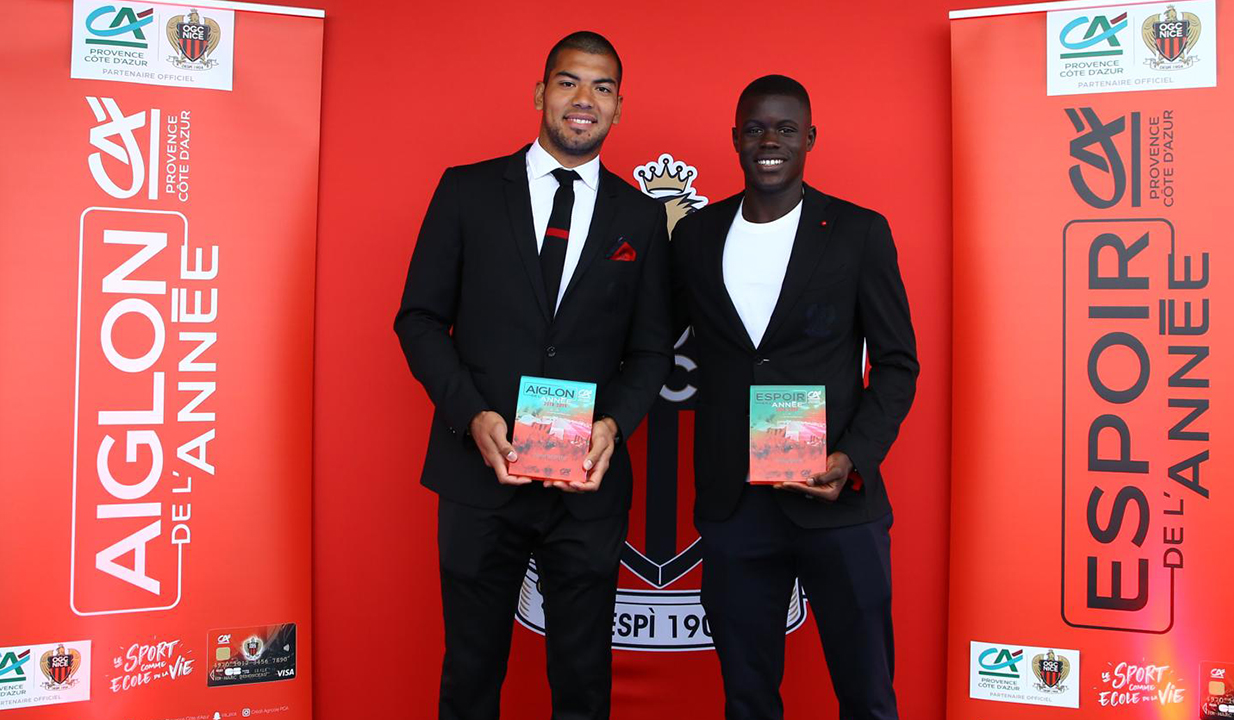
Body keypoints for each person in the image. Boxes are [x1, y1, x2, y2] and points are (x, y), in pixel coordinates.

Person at [394, 31, 672, 720]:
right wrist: (472, 415)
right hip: (478, 475)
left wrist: (614, 425)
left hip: (586, 490)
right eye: (569, 82)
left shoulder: (640, 216)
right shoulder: (466, 191)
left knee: (583, 684)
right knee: (470, 677)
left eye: (602, 87)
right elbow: (419, 319)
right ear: (541, 92)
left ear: (619, 106)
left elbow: (651, 352)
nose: (585, 100)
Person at [671, 74, 919, 720]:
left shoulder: (859, 232)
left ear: (810, 137)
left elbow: (897, 365)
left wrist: (851, 458)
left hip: (835, 499)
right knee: (747, 700)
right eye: (755, 129)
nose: (769, 142)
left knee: (868, 698)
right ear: (735, 139)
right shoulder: (696, 237)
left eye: (785, 129)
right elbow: (647, 341)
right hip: (734, 506)